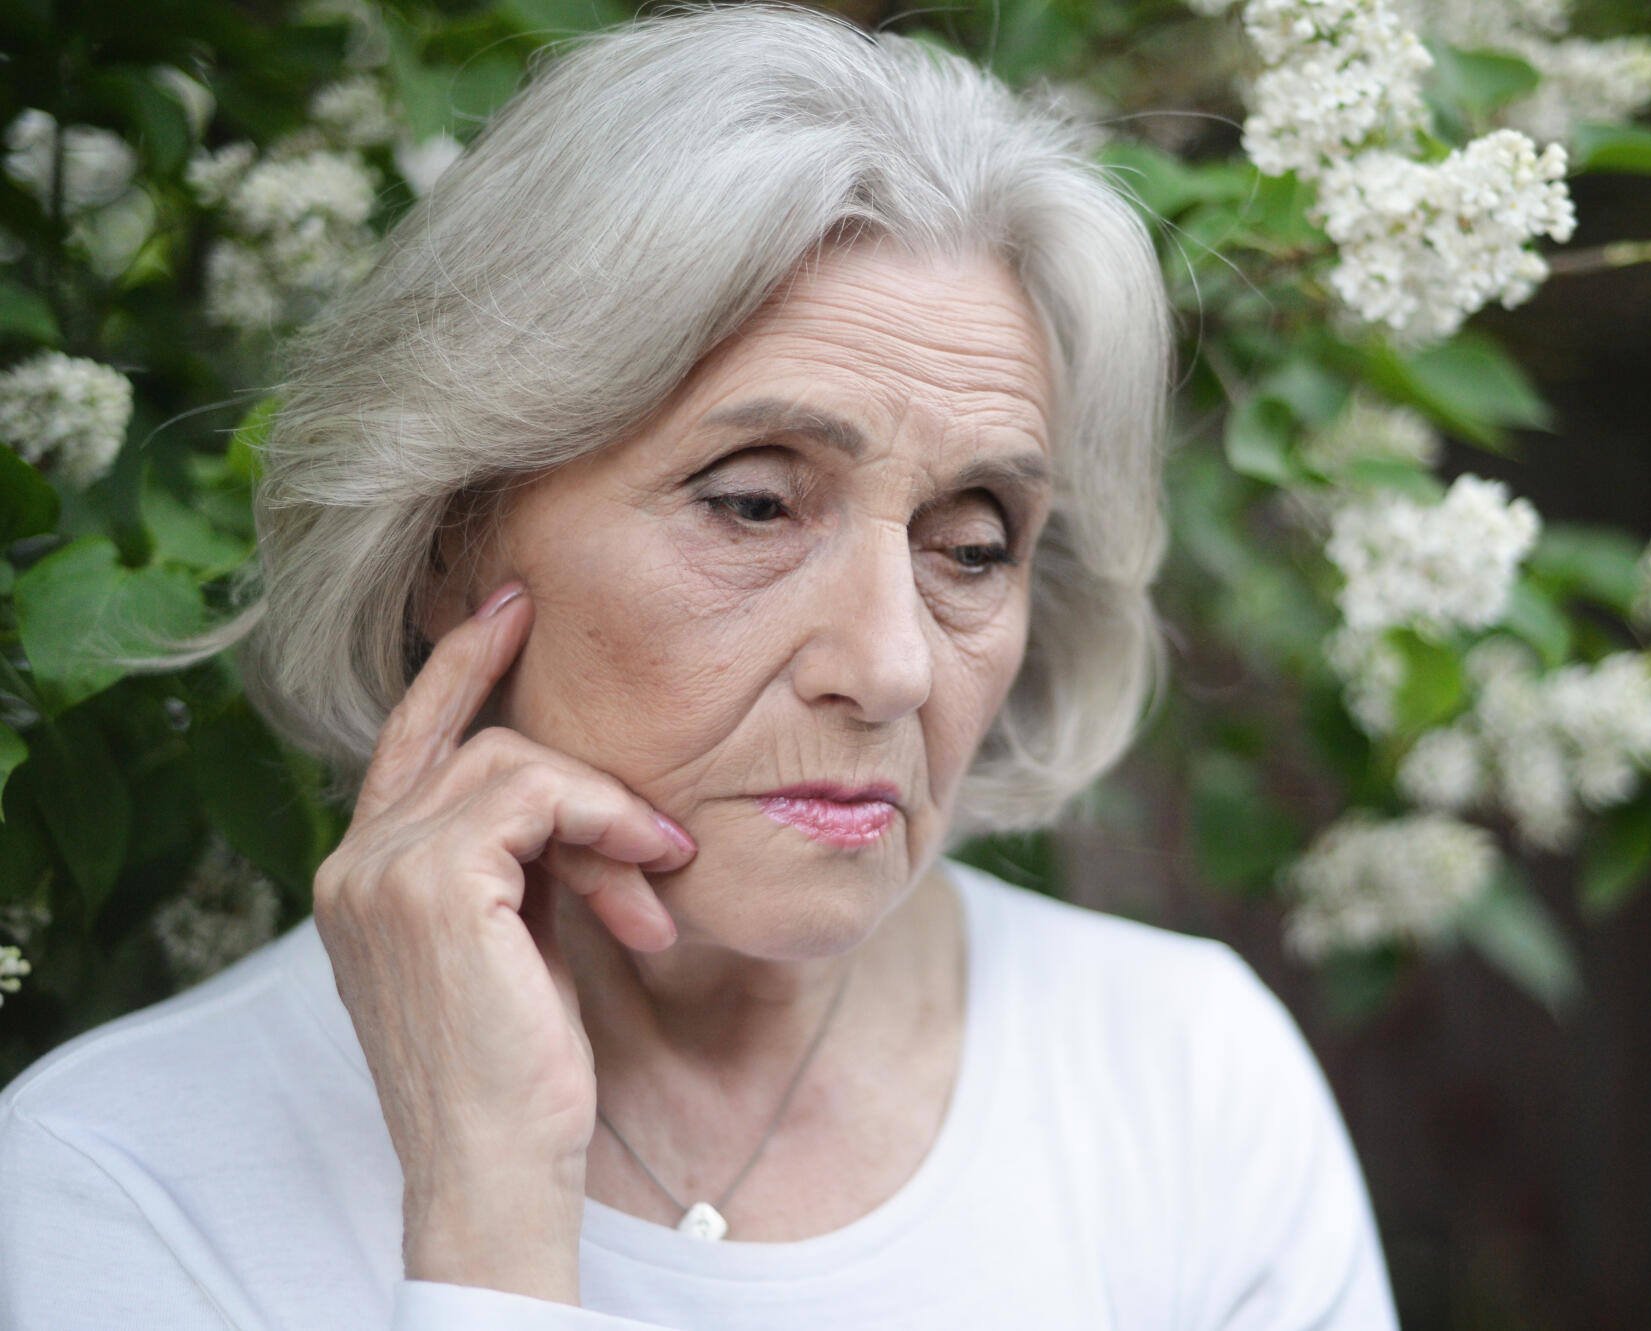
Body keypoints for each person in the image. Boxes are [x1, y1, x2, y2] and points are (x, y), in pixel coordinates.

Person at [0, 4, 1401, 1327]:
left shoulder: (1188, 1084)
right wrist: (490, 1216)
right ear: (448, 537)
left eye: (973, 545)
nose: (892, 667)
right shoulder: (125, 1185)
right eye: (754, 505)